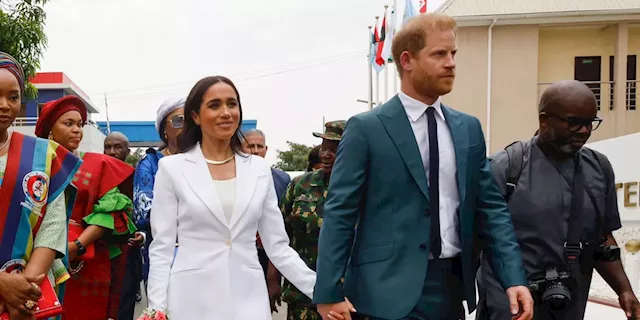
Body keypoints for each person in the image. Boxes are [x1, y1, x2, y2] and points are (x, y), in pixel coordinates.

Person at [312, 14, 533, 320]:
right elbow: (340, 212)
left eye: (453, 54)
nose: (451, 63)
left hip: (451, 288)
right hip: (384, 292)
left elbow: (491, 209)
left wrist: (514, 277)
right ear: (407, 60)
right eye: (439, 54)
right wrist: (327, 292)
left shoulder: (468, 128)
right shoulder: (367, 129)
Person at [146, 76, 318, 320]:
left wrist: (321, 292)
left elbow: (278, 246)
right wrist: (156, 310)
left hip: (248, 298)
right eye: (214, 105)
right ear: (195, 116)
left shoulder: (258, 169)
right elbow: (161, 248)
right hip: (191, 300)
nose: (226, 113)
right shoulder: (171, 169)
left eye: (232, 104)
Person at [477, 80, 640, 320]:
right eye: (574, 123)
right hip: (511, 307)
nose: (584, 131)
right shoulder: (506, 168)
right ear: (544, 120)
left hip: (568, 304)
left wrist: (624, 289)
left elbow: (603, 240)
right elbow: (475, 240)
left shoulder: (599, 168)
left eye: (590, 123)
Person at [35, 96, 137, 320]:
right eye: (68, 124)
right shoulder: (33, 163)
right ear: (50, 129)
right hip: (36, 257)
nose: (77, 130)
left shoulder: (98, 165)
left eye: (80, 124)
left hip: (86, 262)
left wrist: (77, 246)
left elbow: (109, 212)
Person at [0, 52, 81, 320]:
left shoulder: (43, 156)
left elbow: (53, 227)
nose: (5, 105)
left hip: (27, 302)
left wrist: (26, 288)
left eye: (13, 97)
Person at [281, 120, 345, 320]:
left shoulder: (363, 188)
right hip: (302, 294)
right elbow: (279, 236)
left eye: (334, 149)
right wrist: (272, 280)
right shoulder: (300, 185)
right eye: (324, 148)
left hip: (345, 296)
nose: (325, 155)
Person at [133, 97, 185, 294]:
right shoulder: (150, 164)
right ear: (165, 129)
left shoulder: (204, 159)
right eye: (179, 120)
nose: (186, 126)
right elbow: (144, 213)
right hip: (165, 255)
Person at [242, 128, 291, 312]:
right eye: (250, 146)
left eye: (259, 146)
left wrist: (273, 277)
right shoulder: (231, 175)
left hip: (269, 255)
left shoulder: (281, 179)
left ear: (266, 149)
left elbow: (281, 227)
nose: (255, 150)